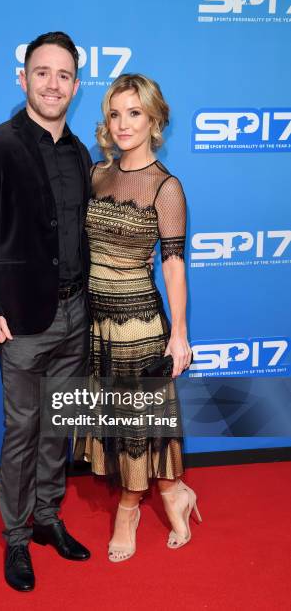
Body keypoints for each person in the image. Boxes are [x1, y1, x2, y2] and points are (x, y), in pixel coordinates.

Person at [0, 32, 92, 592]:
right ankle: (17, 539)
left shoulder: (81, 151)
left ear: (76, 86)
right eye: (42, 72)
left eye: (63, 75)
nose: (52, 84)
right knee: (22, 429)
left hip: (76, 314)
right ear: (24, 79)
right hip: (20, 320)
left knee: (56, 427)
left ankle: (47, 518)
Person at [81, 73, 201, 561]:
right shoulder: (95, 174)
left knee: (138, 423)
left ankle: (129, 510)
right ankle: (176, 491)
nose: (123, 123)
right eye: (115, 112)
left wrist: (180, 335)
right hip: (96, 323)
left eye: (134, 113)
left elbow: (173, 263)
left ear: (154, 120)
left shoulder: (166, 188)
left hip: (139, 326)